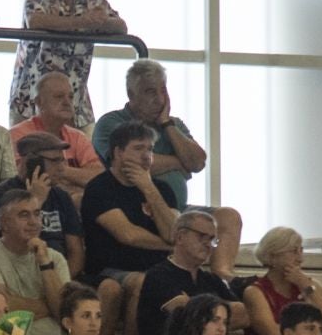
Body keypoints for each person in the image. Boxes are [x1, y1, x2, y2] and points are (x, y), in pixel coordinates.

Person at [91, 61, 228, 272]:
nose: (159, 98)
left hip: (177, 207)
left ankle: (222, 276)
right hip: (138, 208)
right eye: (149, 92)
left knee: (228, 217)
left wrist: (166, 124)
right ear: (131, 93)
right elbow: (129, 164)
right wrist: (178, 162)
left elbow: (198, 162)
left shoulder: (175, 124)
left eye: (163, 90)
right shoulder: (112, 123)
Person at [78, 121, 179, 335]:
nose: (147, 156)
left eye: (150, 149)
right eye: (138, 148)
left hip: (157, 269)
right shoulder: (100, 188)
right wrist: (171, 246)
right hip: (109, 269)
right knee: (141, 282)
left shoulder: (161, 189)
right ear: (117, 152)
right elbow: (128, 235)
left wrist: (148, 188)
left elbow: (174, 233)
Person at [7, 0, 122, 127]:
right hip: (32, 97)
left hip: (76, 98)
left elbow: (120, 26)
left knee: (85, 153)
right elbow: (35, 20)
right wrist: (82, 21)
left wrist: (100, 22)